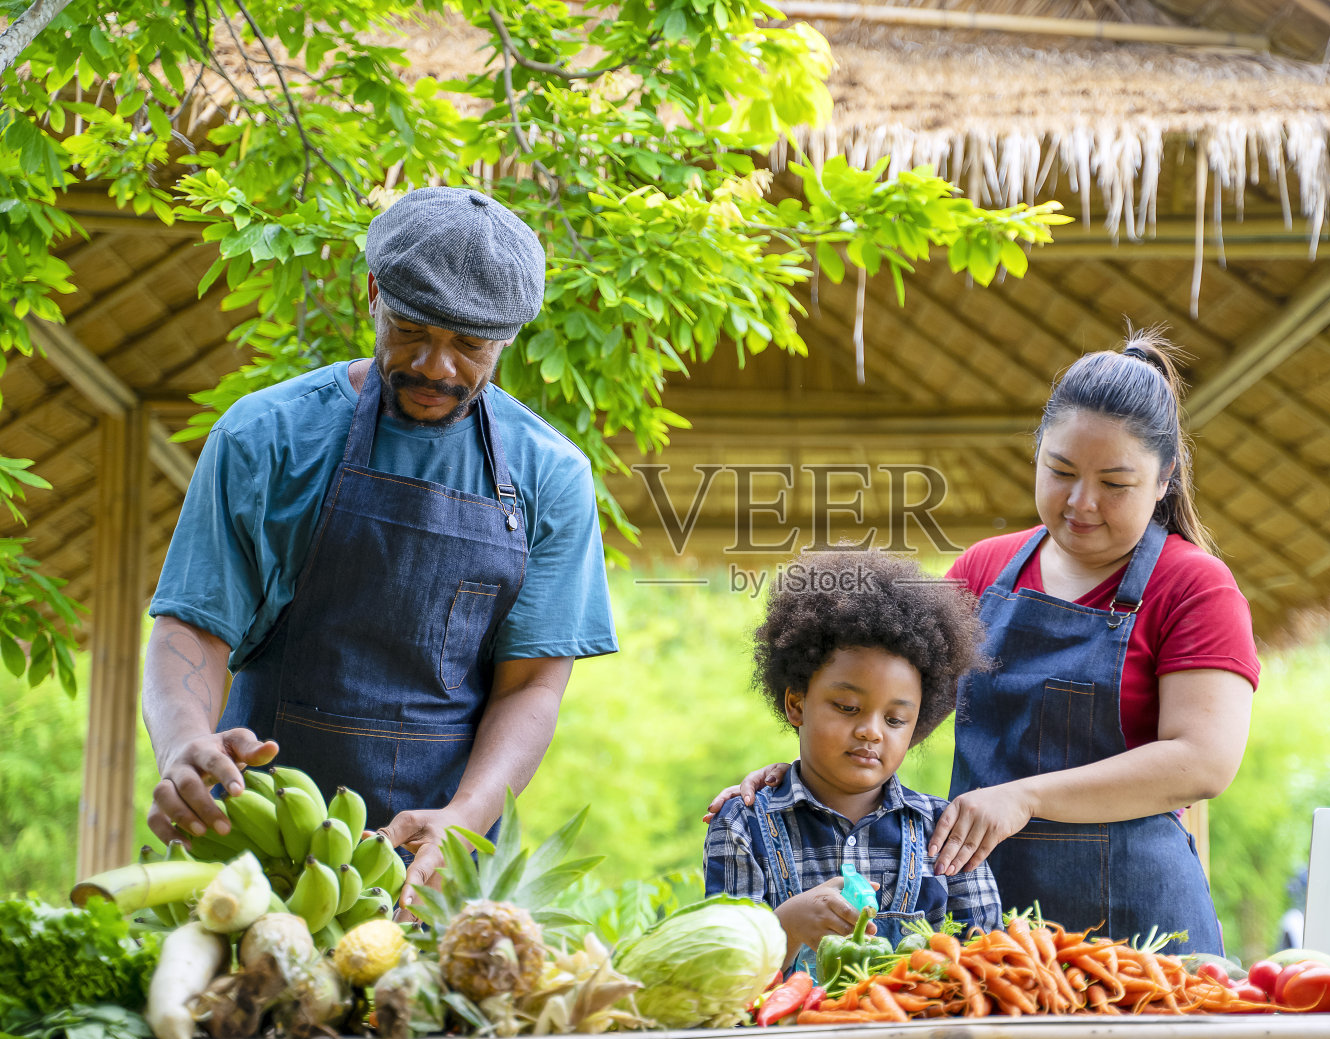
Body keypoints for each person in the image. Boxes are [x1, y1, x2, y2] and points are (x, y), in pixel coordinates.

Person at [708, 328, 1257, 953]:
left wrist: (1024, 799)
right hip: (982, 935)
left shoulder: (1195, 586)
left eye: (1115, 483)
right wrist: (807, 770)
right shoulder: (981, 571)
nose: (1081, 501)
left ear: (1163, 481)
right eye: (1060, 471)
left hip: (1143, 937)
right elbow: (885, 705)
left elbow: (1203, 761)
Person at [142, 186, 617, 907]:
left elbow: (531, 687)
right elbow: (193, 624)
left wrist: (466, 818)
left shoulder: (551, 476)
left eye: (469, 345)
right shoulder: (266, 436)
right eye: (412, 330)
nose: (436, 366)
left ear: (510, 337)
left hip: (434, 864)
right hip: (252, 837)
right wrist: (181, 742)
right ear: (372, 293)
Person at [703, 549, 1002, 974]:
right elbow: (719, 976)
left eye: (896, 719)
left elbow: (991, 967)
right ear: (796, 703)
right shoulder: (742, 825)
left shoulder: (946, 833)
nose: (871, 731)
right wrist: (784, 928)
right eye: (846, 707)